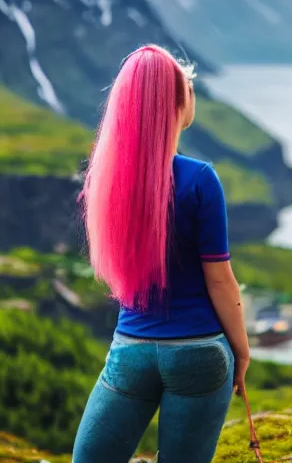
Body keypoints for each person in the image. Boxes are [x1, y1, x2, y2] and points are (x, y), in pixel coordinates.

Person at [73, 45, 251, 463]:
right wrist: (241, 352)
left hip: (130, 350)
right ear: (174, 102)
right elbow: (220, 279)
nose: (192, 90)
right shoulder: (200, 179)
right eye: (187, 84)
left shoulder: (108, 179)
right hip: (201, 353)